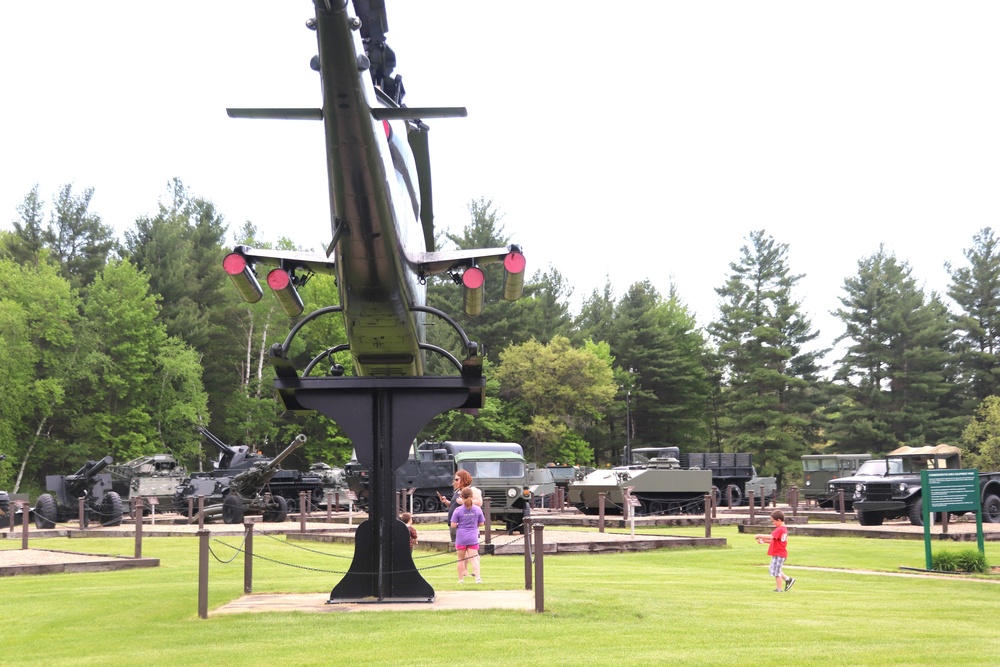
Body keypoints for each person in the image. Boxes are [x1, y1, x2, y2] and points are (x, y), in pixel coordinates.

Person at [450, 487, 485, 583]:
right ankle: (478, 577)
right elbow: (481, 523)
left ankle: (461, 579)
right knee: (474, 558)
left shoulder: (458, 510)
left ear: (461, 497)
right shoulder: (477, 509)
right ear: (472, 496)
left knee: (460, 559)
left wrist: (459, 524)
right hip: (473, 536)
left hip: (461, 536)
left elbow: (453, 524)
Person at [437, 469, 483, 543]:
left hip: (463, 524)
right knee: (455, 545)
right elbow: (454, 506)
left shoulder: (472, 490)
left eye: (457, 479)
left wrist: (464, 502)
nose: (455, 482)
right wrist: (446, 502)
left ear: (464, 479)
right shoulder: (457, 491)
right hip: (453, 522)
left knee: (464, 545)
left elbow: (479, 502)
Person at [756, 509, 795, 592]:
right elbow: (775, 540)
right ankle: (788, 579)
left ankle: (779, 589)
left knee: (776, 572)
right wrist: (764, 541)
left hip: (779, 553)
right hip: (778, 553)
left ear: (779, 520)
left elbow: (771, 537)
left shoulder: (780, 529)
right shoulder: (783, 529)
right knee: (774, 569)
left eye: (773, 521)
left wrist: (760, 535)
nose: (773, 523)